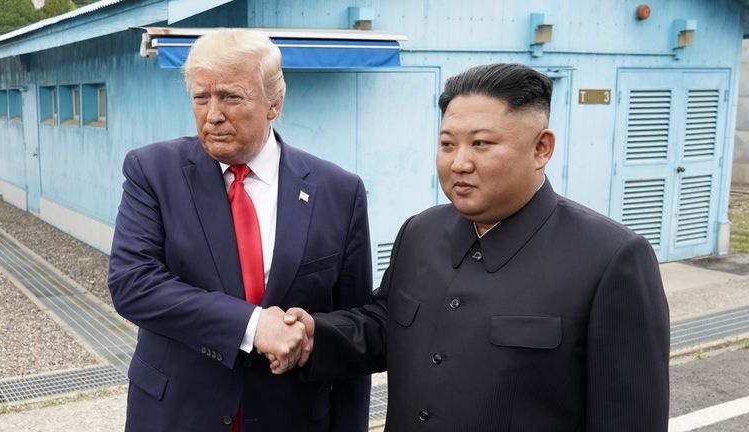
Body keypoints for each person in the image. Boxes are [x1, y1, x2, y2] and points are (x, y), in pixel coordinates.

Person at [282, 63, 670, 431]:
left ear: (541, 148)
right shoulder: (421, 231)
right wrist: (313, 335)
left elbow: (628, 418)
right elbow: (386, 325)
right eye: (447, 144)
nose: (459, 163)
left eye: (481, 143)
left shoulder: (610, 259)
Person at [107, 29, 372, 432]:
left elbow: (352, 332)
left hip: (292, 418)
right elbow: (133, 284)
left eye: (230, 97)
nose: (212, 115)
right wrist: (252, 326)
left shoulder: (339, 191)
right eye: (201, 98)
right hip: (177, 414)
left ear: (274, 104)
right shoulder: (152, 172)